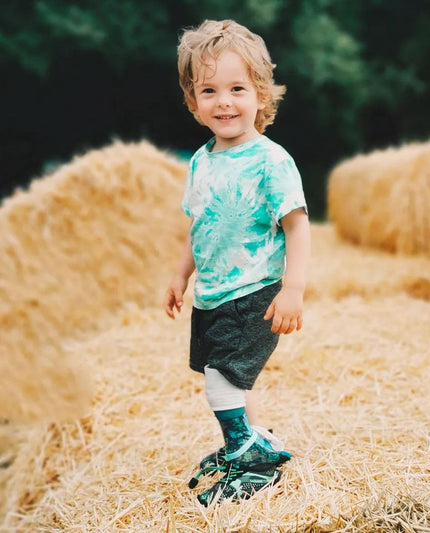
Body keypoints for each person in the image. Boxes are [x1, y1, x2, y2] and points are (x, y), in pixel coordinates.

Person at [165, 19, 311, 506]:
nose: (223, 101)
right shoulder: (201, 161)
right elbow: (199, 225)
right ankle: (253, 442)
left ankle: (254, 463)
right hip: (212, 293)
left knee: (221, 380)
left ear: (260, 95)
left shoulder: (271, 160)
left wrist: (293, 290)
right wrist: (179, 275)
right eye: (209, 90)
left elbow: (297, 225)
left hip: (254, 291)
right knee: (229, 376)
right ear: (194, 101)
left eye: (236, 88)